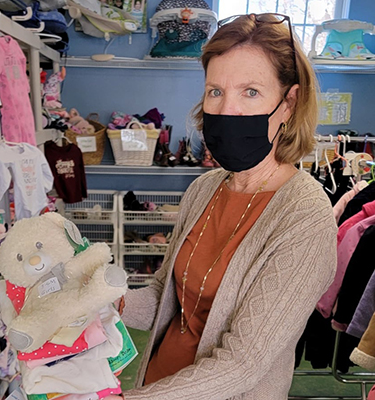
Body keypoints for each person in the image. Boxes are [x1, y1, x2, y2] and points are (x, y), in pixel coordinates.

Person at [107, 13, 337, 399]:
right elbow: (166, 298)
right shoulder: (204, 189)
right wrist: (100, 296)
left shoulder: (305, 215)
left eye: (250, 92)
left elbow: (244, 364)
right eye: (215, 91)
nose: (227, 109)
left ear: (288, 103)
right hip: (157, 383)